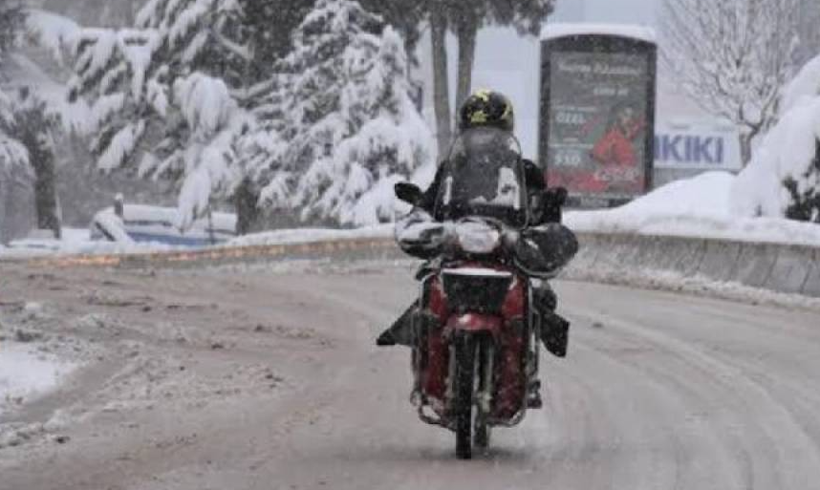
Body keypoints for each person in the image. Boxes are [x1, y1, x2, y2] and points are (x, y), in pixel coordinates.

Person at [377, 89, 574, 407]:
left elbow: (540, 208)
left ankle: (528, 373)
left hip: (506, 250)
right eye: (477, 132)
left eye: (492, 132)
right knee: (427, 286)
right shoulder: (452, 167)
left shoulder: (525, 171)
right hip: (458, 247)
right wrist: (421, 211)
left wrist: (547, 208)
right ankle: (427, 367)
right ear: (464, 131)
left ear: (506, 131)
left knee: (540, 296)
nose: (485, 140)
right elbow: (432, 202)